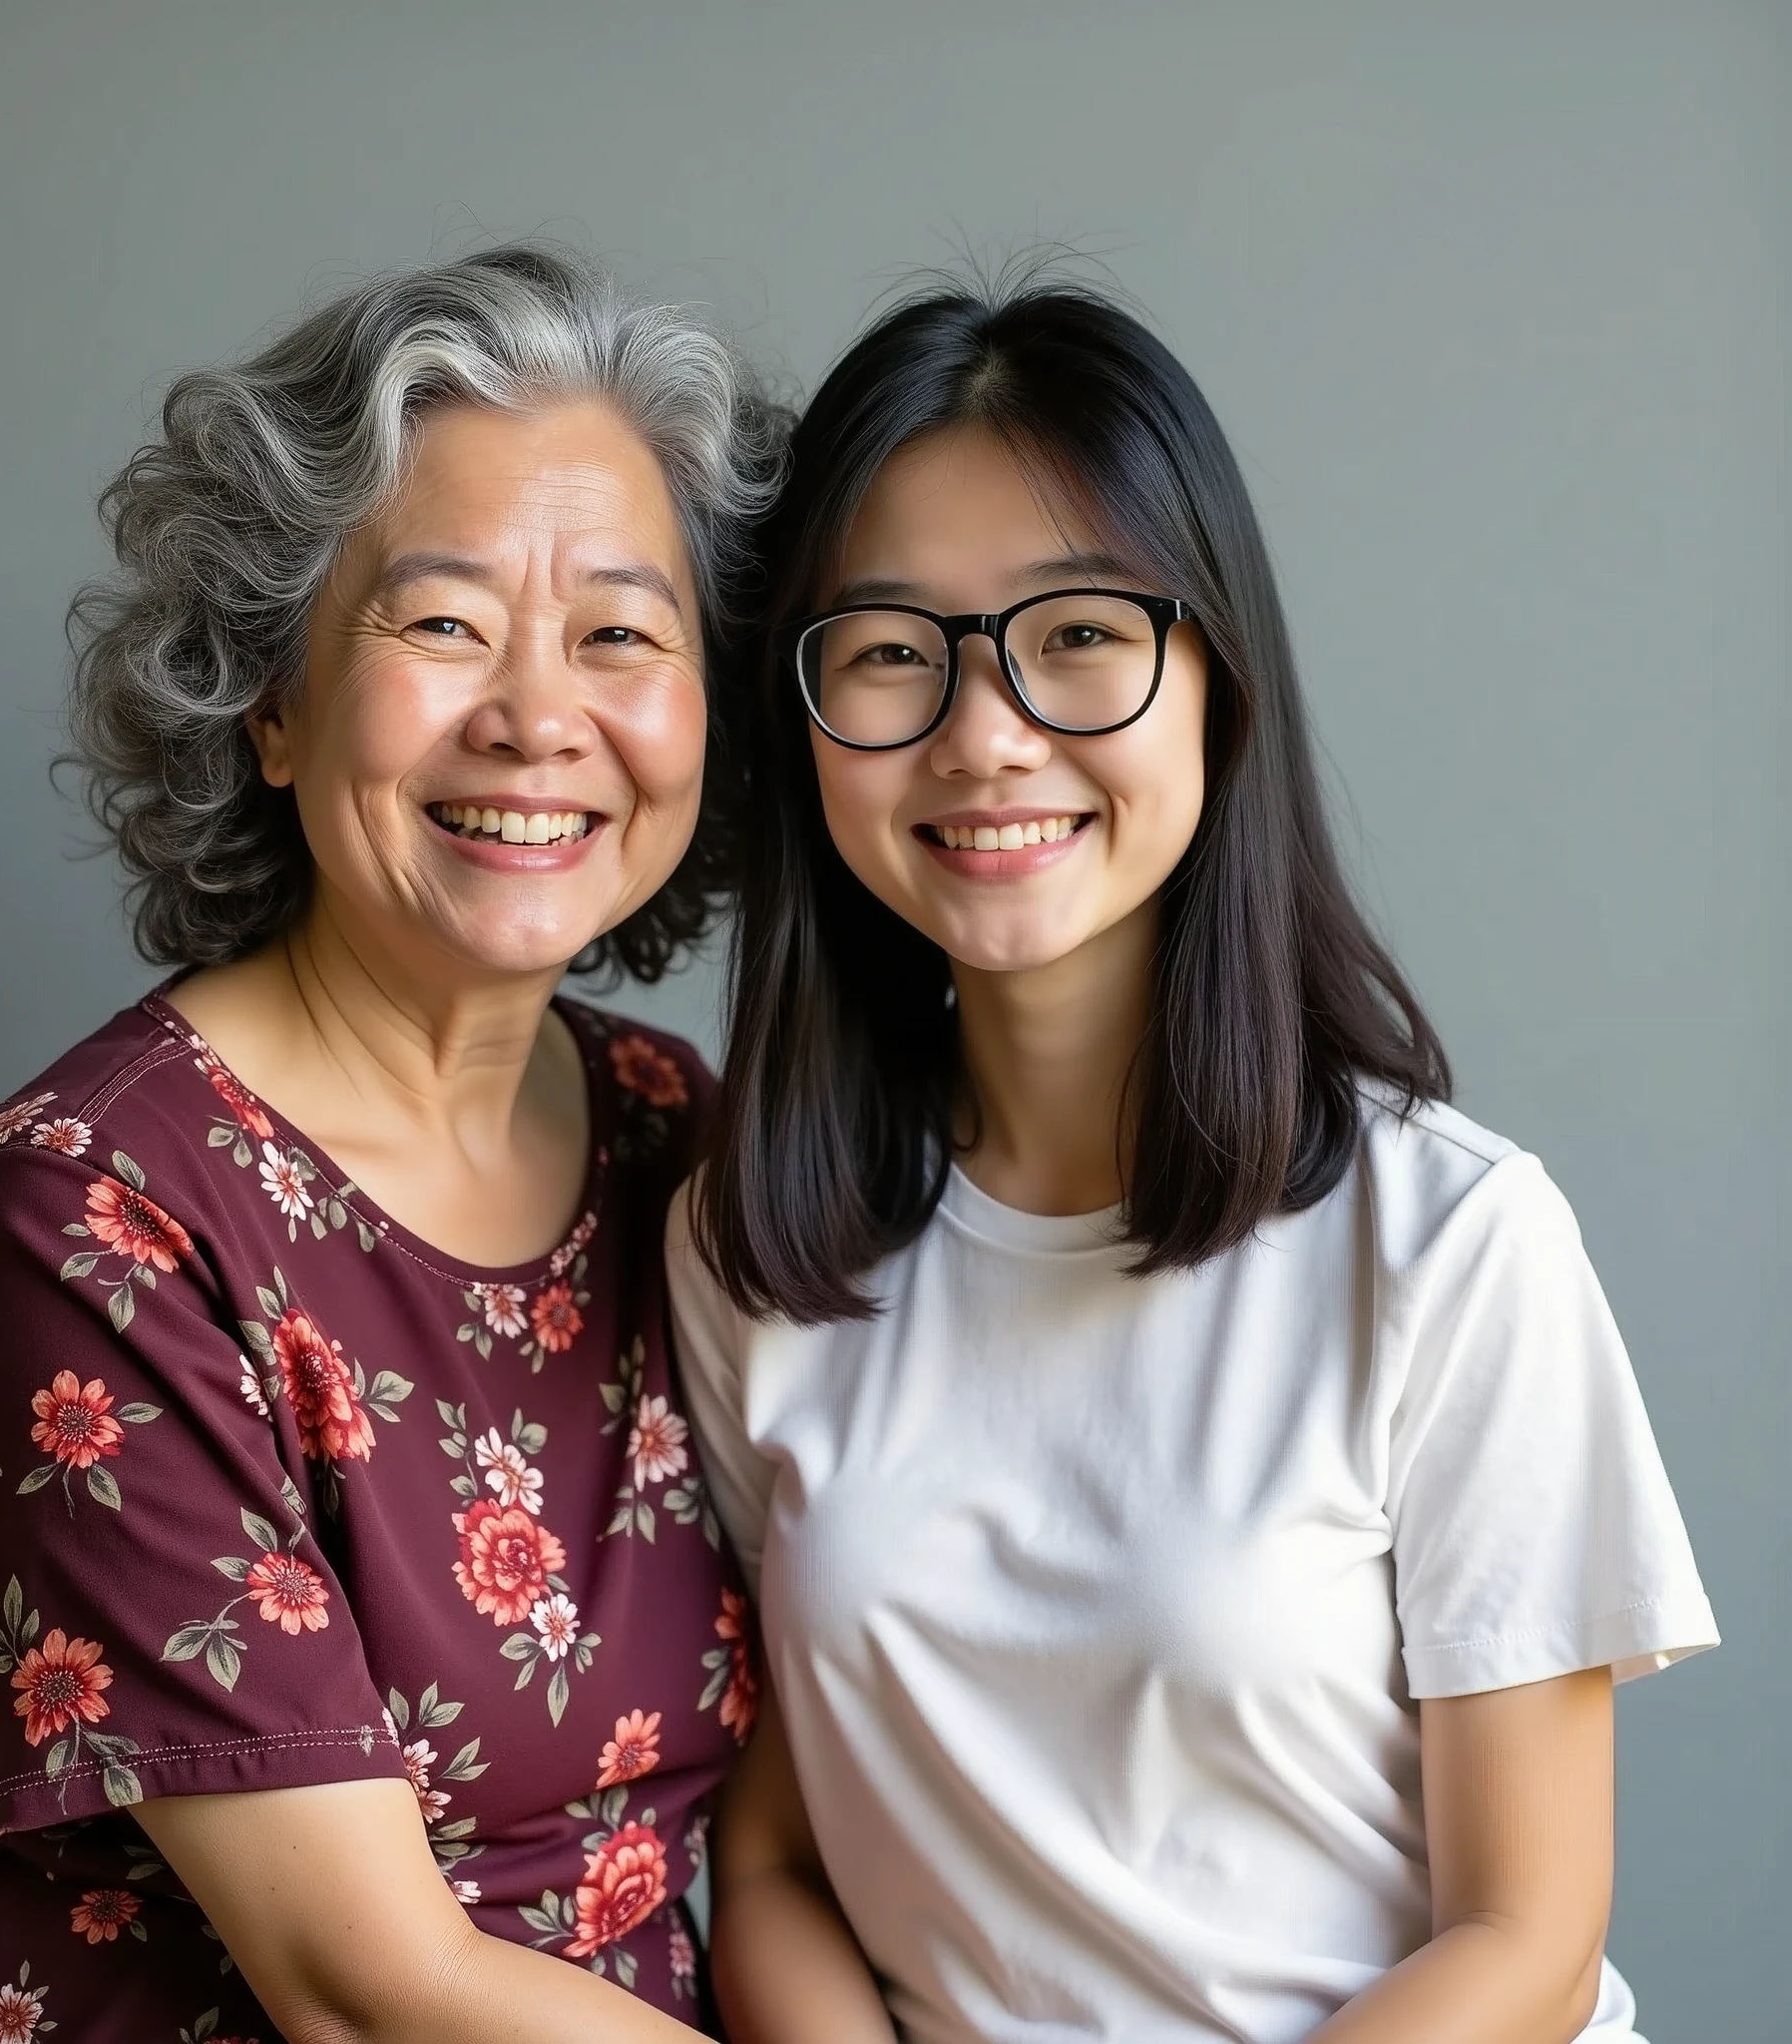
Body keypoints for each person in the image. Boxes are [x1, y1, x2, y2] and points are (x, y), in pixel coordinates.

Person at [667, 277, 1718, 2044]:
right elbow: (774, 1857)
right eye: (890, 651)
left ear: (1218, 676)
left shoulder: (1452, 1244)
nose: (984, 731)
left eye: (1078, 632)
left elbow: (1526, 1940)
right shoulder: (757, 1244)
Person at [0, 247, 781, 2044]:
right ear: (273, 702)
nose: (540, 718)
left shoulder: (681, 1138)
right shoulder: (92, 1206)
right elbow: (365, 1988)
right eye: (443, 620)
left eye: (623, 633)